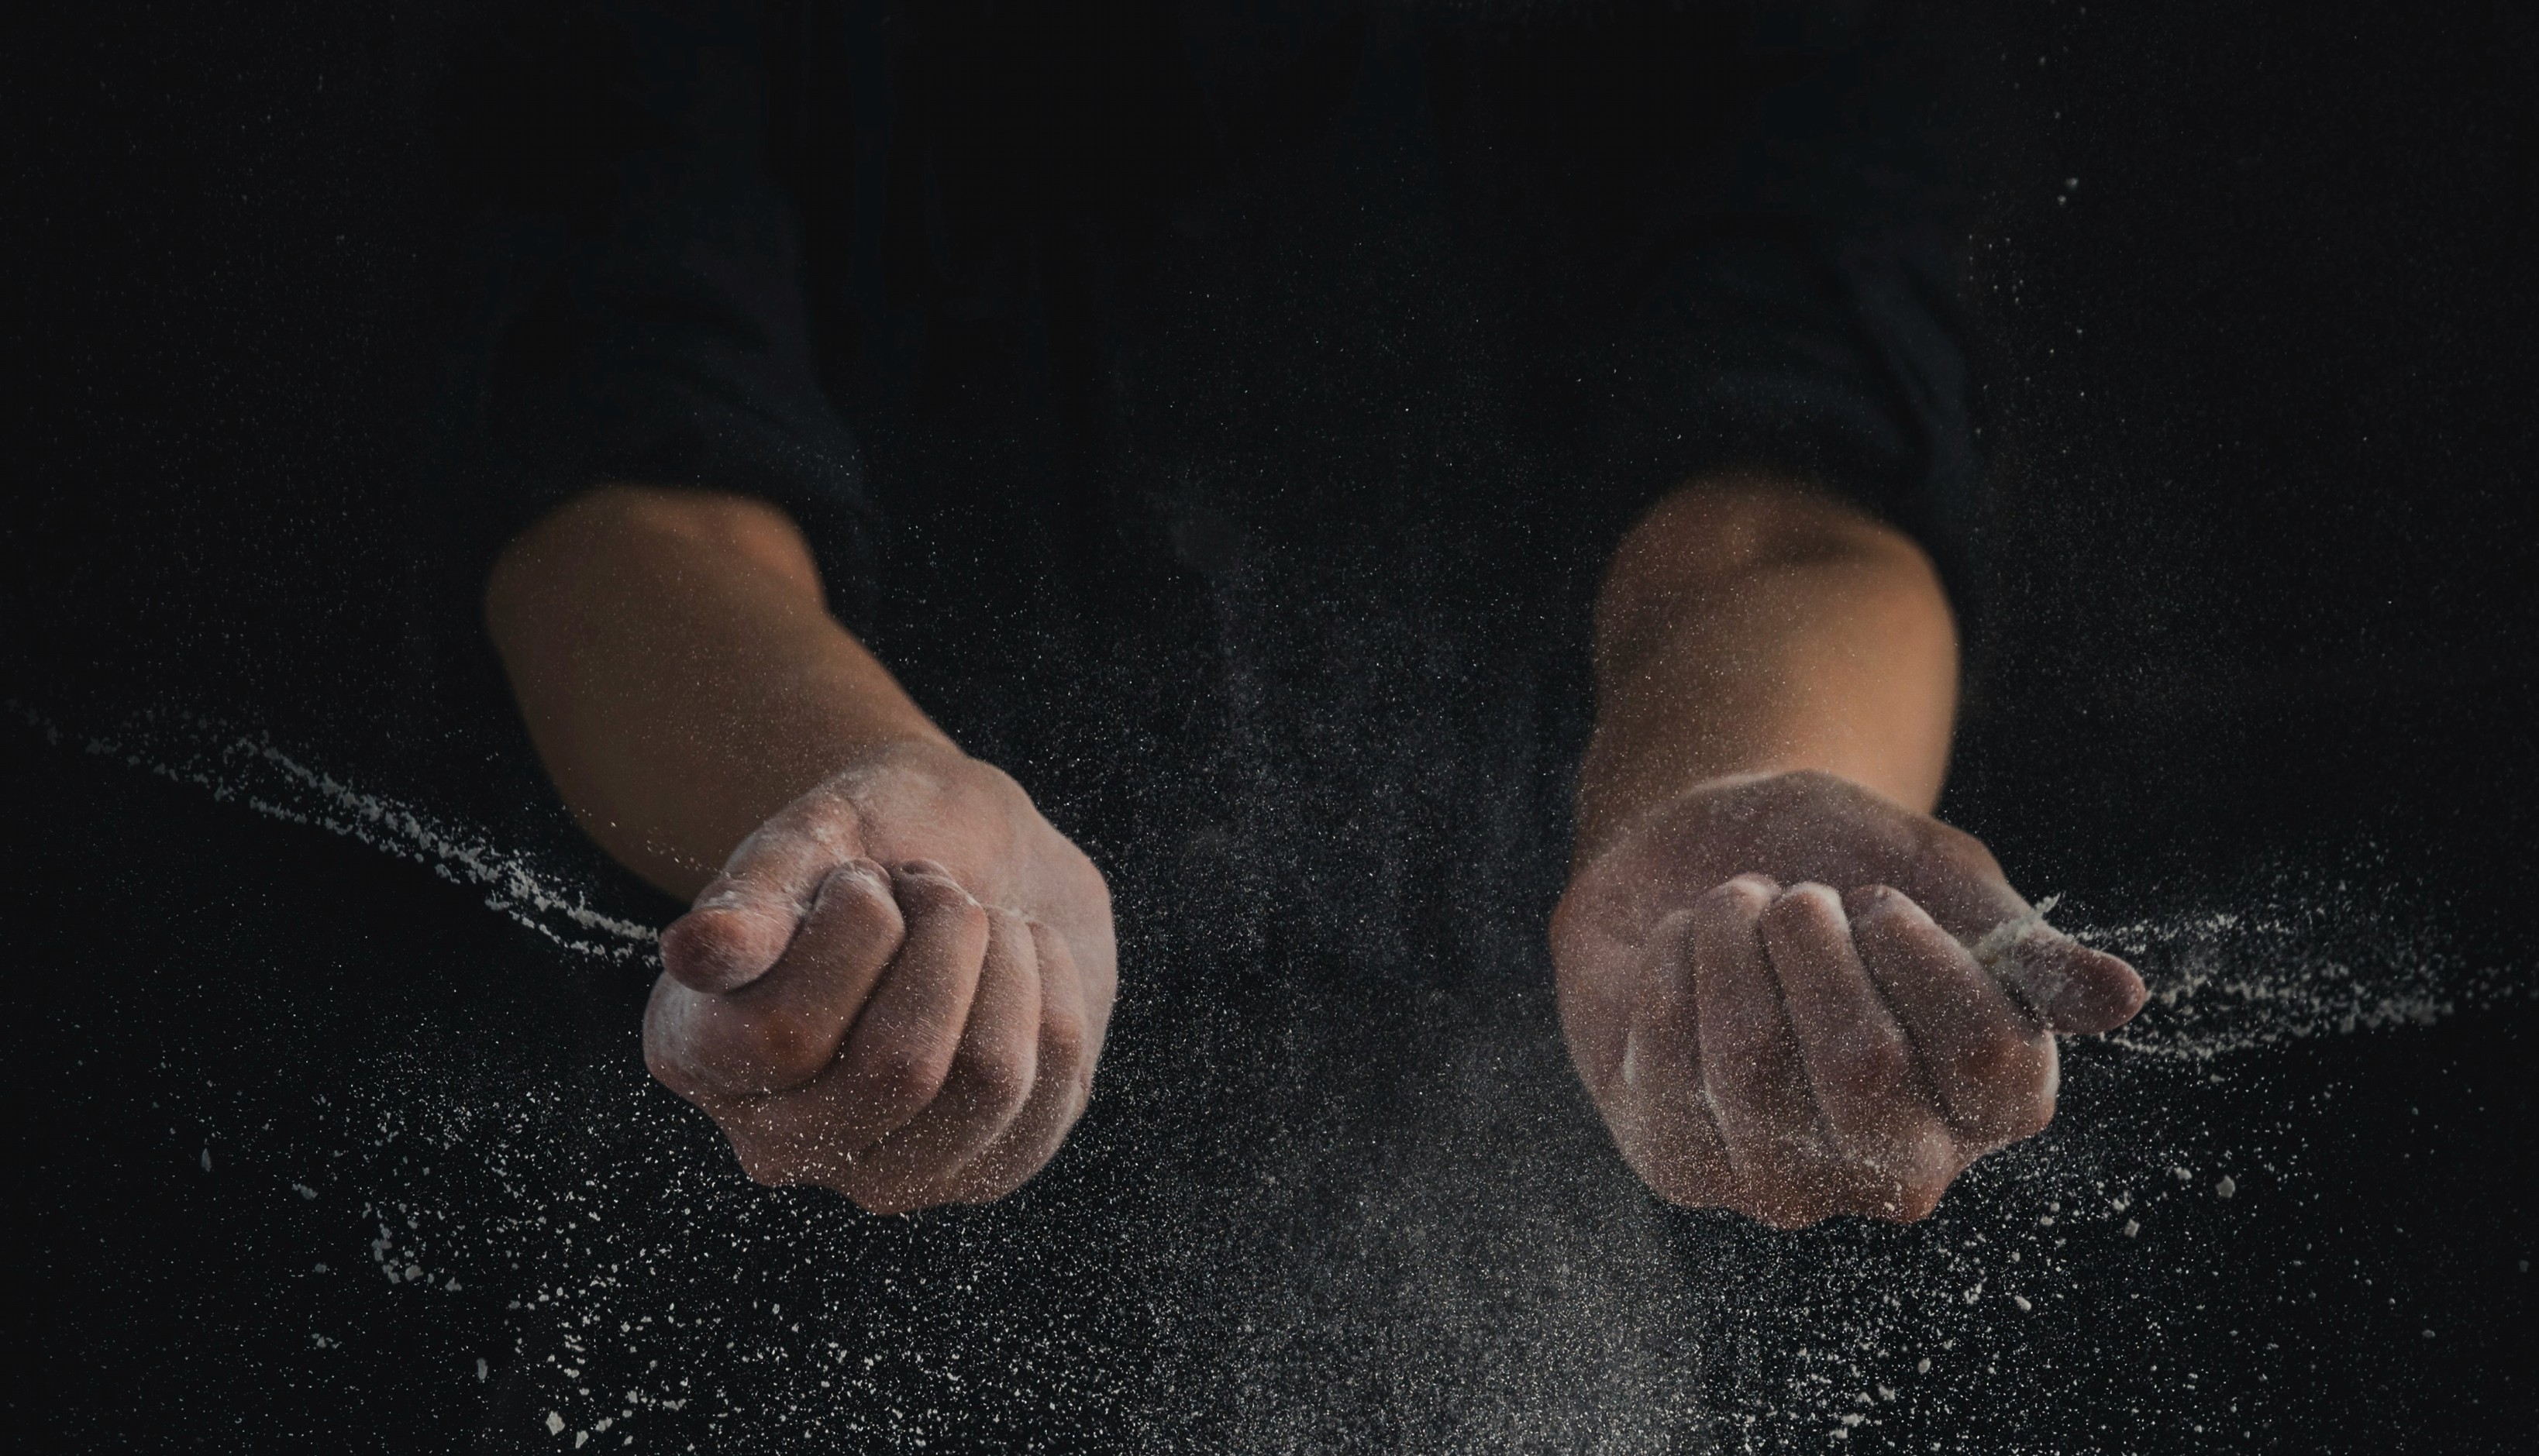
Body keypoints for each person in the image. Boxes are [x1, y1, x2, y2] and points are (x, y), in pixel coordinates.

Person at [450, 1, 2143, 1237]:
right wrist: (853, 804)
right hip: (777, 1210)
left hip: (1527, 1207)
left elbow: (1791, 501)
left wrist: (1738, 813)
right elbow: (628, 488)